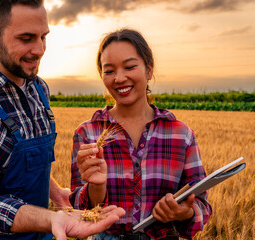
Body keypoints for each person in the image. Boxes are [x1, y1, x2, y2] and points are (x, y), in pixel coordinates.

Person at [0, 1, 125, 239]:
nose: (40, 49)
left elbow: (19, 162)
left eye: (43, 37)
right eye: (26, 38)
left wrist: (54, 193)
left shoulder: (39, 89)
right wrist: (50, 218)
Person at [69, 29, 212, 240]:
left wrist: (185, 212)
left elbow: (201, 201)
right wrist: (96, 187)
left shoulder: (181, 135)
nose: (119, 78)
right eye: (109, 71)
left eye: (130, 67)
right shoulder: (87, 133)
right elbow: (79, 209)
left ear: (149, 70)